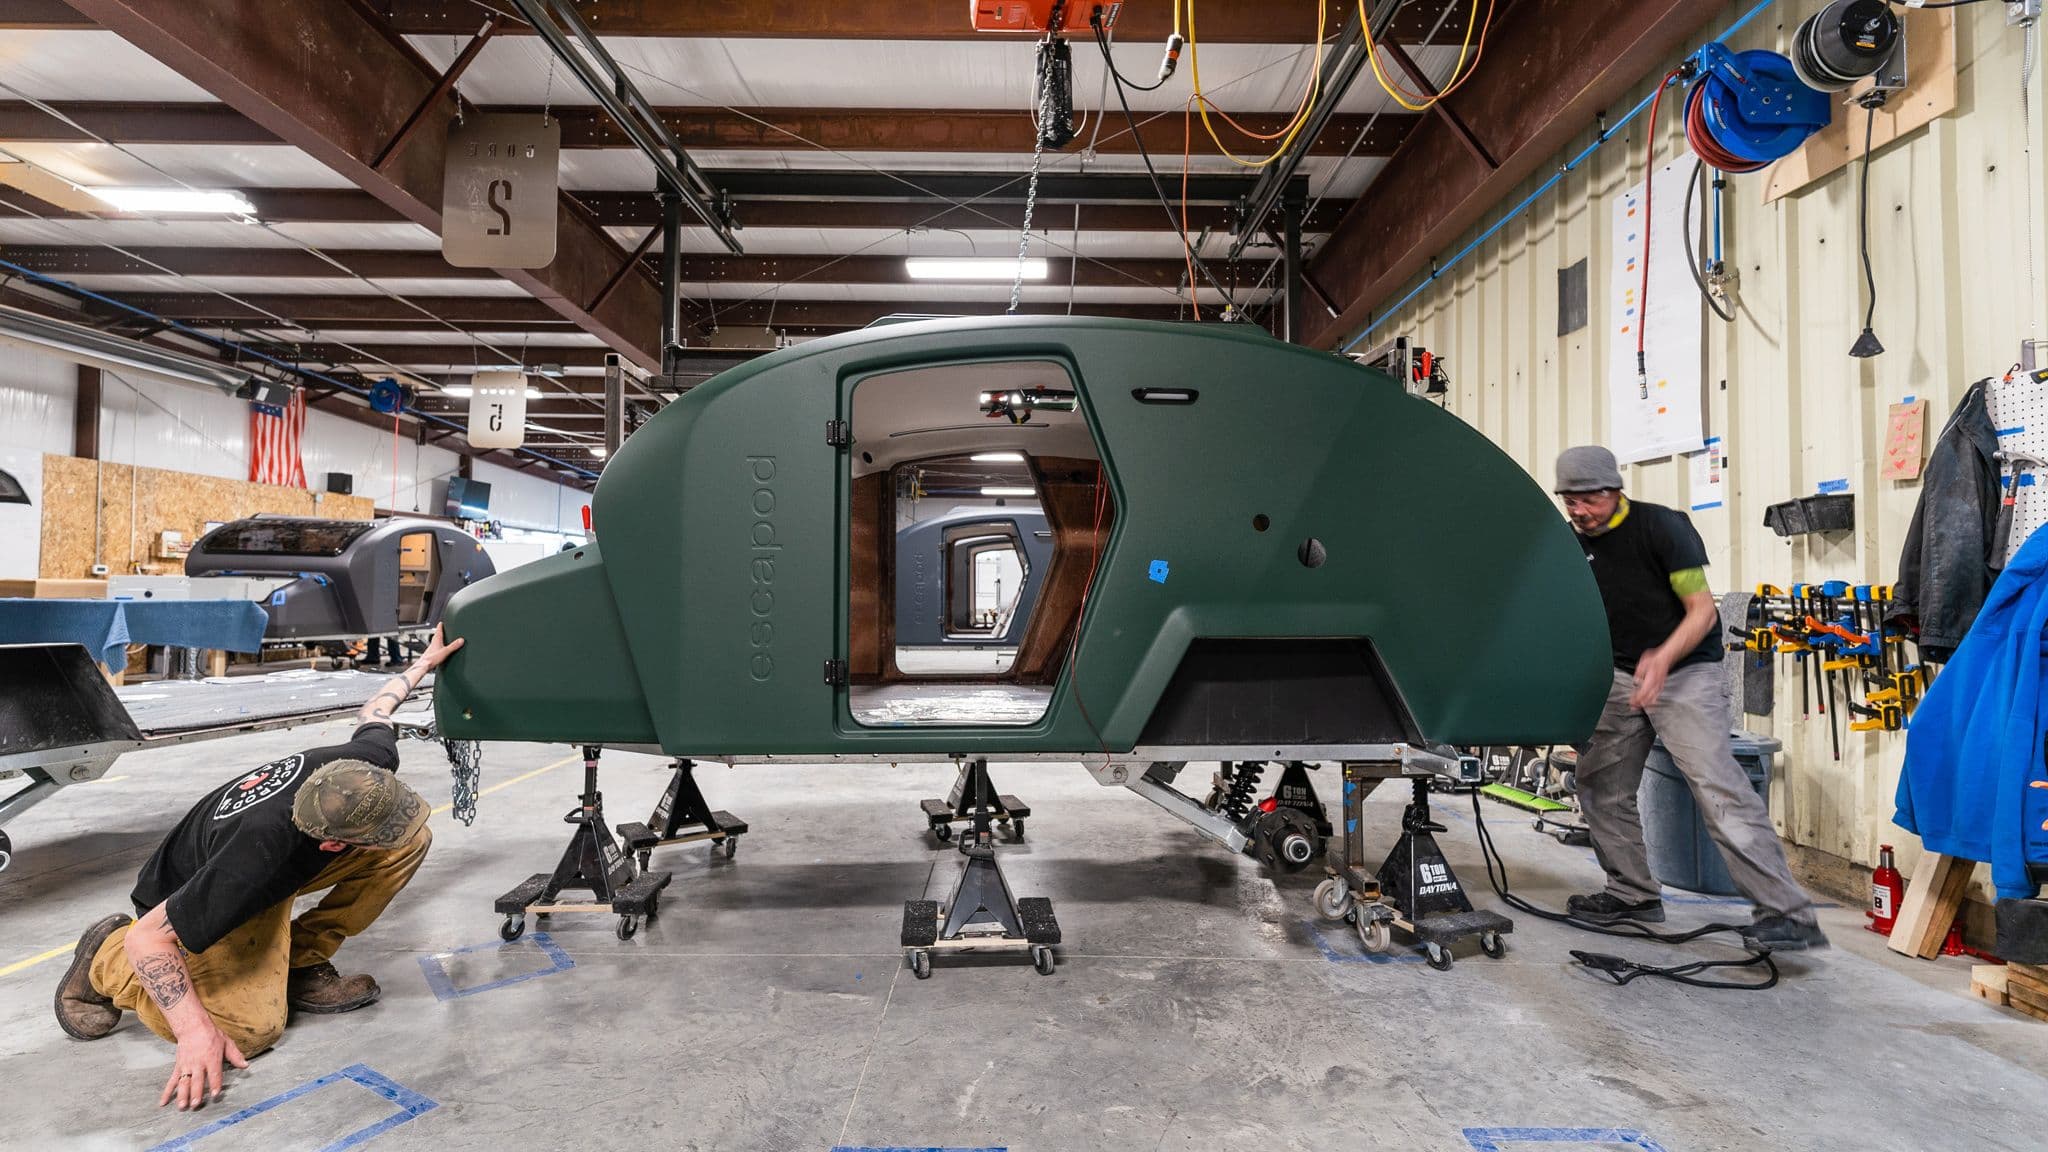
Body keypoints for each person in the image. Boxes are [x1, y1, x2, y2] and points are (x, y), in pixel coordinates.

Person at [54, 624, 465, 1111]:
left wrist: (422, 664)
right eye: (367, 839)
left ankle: (303, 960)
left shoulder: (361, 766)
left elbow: (376, 711)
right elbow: (153, 940)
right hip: (184, 904)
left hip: (275, 864)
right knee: (249, 1030)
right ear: (334, 845)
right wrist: (194, 1034)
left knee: (410, 840)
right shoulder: (250, 864)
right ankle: (104, 959)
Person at [1553, 446, 1827, 953]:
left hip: (1685, 670)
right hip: (1619, 676)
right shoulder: (1572, 544)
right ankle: (1632, 894)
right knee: (1599, 788)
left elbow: (1701, 612)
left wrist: (1660, 659)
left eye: (1589, 499)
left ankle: (1787, 913)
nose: (1580, 511)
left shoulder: (1662, 528)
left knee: (1719, 790)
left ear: (1615, 490)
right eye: (1570, 502)